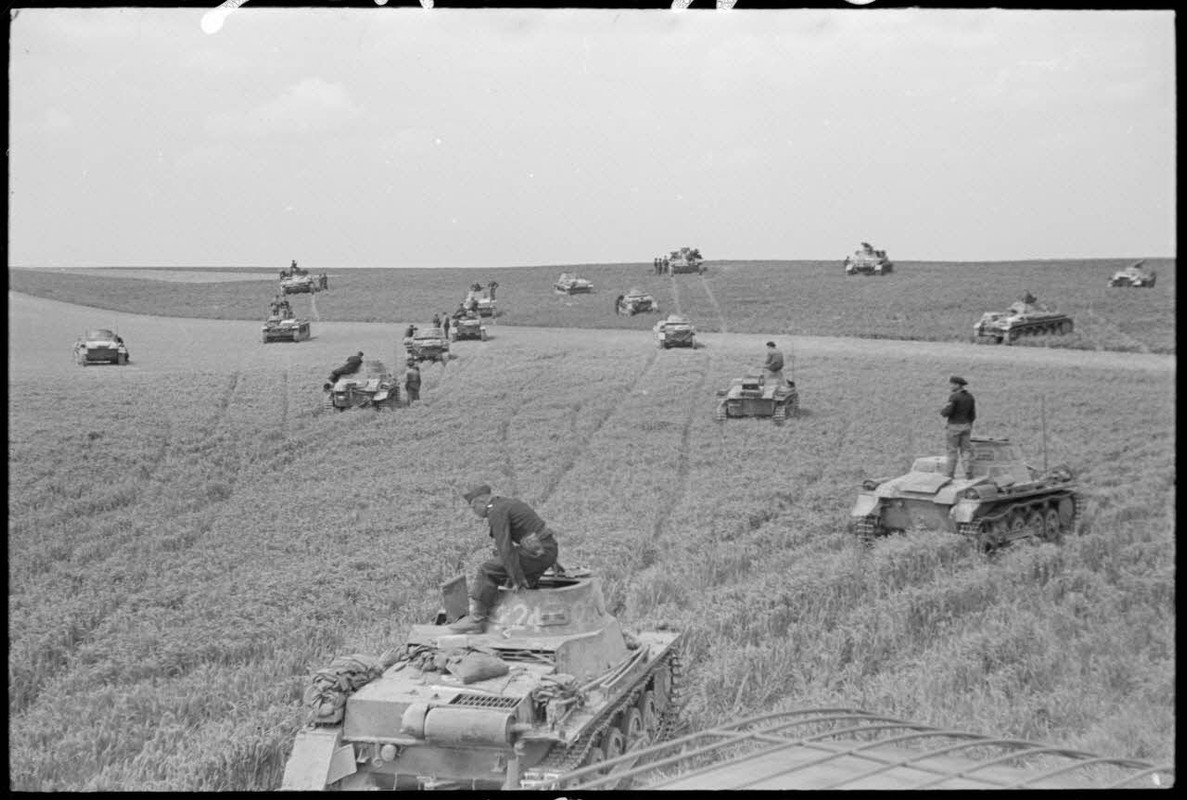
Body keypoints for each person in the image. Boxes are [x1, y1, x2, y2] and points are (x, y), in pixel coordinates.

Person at [448, 484, 560, 634]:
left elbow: (505, 547)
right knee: (501, 564)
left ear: (481, 502)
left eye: (473, 507)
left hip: (539, 553)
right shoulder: (507, 503)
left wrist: (517, 579)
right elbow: (537, 532)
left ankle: (477, 619)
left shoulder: (496, 511)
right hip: (546, 550)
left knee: (487, 570)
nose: (474, 512)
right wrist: (552, 560)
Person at [940, 375, 976, 479]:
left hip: (954, 426)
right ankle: (968, 472)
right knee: (965, 450)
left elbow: (947, 412)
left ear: (957, 385)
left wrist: (942, 410)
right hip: (966, 426)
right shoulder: (970, 397)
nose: (950, 386)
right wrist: (968, 425)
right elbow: (973, 415)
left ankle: (950, 474)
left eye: (952, 384)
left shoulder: (954, 397)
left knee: (952, 450)